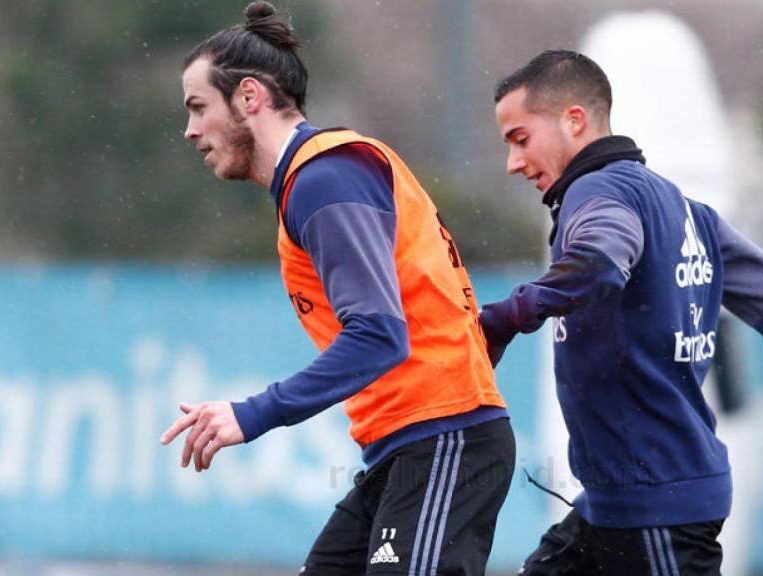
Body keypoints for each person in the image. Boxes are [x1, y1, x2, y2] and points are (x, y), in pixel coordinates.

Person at [159, 3, 515, 574]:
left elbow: (379, 335)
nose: (191, 130)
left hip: (444, 439)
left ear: (249, 97)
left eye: (199, 107)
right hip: (405, 447)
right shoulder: (316, 178)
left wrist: (253, 414)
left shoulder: (324, 177)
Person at [480, 49, 763, 575]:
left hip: (654, 512)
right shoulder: (687, 211)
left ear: (575, 120)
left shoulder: (596, 191)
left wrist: (505, 316)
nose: (514, 162)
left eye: (520, 140)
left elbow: (599, 261)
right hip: (616, 510)